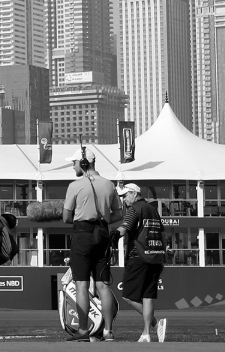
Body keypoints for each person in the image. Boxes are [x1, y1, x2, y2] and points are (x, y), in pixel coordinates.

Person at [61, 146, 122, 342]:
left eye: (74, 163)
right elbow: (119, 214)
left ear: (83, 163)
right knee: (103, 285)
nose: (73, 166)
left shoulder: (74, 185)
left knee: (81, 284)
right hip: (102, 235)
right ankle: (108, 331)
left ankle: (83, 330)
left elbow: (66, 217)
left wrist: (80, 217)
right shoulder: (109, 184)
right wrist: (103, 221)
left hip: (82, 235)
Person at [116, 183, 167, 343]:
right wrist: (162, 255)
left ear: (134, 194)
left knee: (128, 296)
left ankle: (155, 323)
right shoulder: (152, 209)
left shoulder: (134, 209)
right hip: (155, 257)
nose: (124, 199)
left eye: (125, 195)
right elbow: (163, 235)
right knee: (147, 296)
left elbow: (123, 229)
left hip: (138, 256)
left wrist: (108, 236)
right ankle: (146, 334)